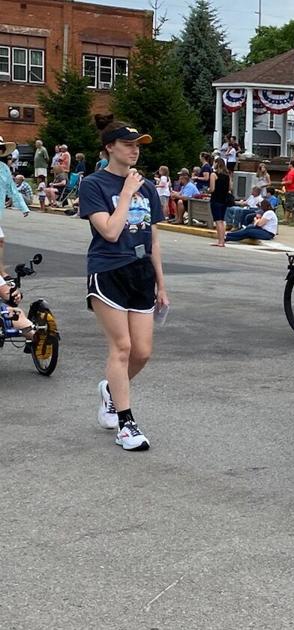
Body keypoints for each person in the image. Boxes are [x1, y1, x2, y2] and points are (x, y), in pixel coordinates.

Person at [78, 119, 168, 451]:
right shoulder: (94, 184)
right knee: (122, 348)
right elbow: (111, 232)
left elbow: (153, 239)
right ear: (110, 147)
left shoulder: (147, 187)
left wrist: (161, 283)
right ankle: (126, 424)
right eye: (129, 144)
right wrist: (126, 193)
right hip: (108, 270)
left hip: (141, 273)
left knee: (142, 353)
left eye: (139, 145)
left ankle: (110, 390)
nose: (135, 150)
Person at [0, 137, 31, 277]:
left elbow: (12, 189)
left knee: (0, 241)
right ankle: (1, 272)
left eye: (1, 148)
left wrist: (23, 207)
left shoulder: (4, 169)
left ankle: (1, 271)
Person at [209, 159, 235, 247]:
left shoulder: (214, 175)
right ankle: (222, 240)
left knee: (218, 220)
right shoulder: (227, 175)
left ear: (216, 164)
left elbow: (212, 189)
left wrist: (208, 190)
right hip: (224, 199)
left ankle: (220, 241)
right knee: (222, 220)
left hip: (216, 199)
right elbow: (230, 188)